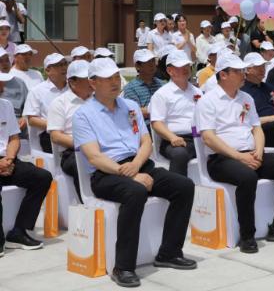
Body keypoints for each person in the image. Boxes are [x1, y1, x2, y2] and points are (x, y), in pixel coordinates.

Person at [73, 58, 196, 287]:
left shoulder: (129, 107)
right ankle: (123, 266)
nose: (114, 82)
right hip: (107, 172)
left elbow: (146, 141)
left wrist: (137, 166)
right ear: (92, 83)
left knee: (184, 186)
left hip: (138, 164)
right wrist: (128, 173)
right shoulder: (83, 114)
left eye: (115, 77)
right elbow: (94, 157)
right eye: (107, 78)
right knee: (135, 192)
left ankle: (169, 252)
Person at [197, 52, 274, 253]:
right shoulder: (207, 100)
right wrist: (239, 157)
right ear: (224, 75)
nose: (243, 74)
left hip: (251, 153)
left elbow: (256, 128)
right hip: (222, 158)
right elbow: (209, 138)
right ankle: (247, 235)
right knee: (247, 177)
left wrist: (258, 151)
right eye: (238, 71)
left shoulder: (246, 97)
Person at [0, 70, 52, 252]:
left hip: (7, 159)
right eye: (0, 83)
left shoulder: (5, 105)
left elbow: (14, 138)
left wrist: (9, 159)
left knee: (42, 177)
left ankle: (19, 231)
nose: (3, 87)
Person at [149, 51, 201, 176]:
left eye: (187, 66)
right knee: (180, 155)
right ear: (170, 71)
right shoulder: (161, 94)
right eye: (179, 67)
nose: (185, 69)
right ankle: (177, 188)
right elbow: (156, 123)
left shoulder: (197, 91)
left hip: (198, 137)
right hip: (173, 139)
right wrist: (173, 137)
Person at [47, 60, 92, 201]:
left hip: (101, 147)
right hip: (72, 152)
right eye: (87, 79)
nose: (92, 81)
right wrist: (85, 145)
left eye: (92, 77)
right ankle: (88, 202)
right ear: (72, 82)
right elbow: (56, 136)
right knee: (86, 164)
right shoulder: (60, 103)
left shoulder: (98, 99)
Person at [23, 53, 69, 153]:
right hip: (49, 134)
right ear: (48, 70)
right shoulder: (37, 91)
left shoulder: (73, 88)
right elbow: (32, 120)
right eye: (58, 65)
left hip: (74, 132)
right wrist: (56, 126)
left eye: (65, 64)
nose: (64, 67)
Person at [240, 53, 274, 148]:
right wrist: (273, 118)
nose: (262, 69)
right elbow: (245, 121)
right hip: (261, 130)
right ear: (248, 70)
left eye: (263, 66)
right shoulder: (242, 93)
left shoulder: (269, 87)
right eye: (257, 67)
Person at [122, 49, 165, 130]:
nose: (152, 64)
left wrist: (146, 110)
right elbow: (133, 113)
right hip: (144, 128)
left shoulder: (162, 84)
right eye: (147, 62)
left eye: (152, 61)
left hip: (166, 123)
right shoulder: (130, 88)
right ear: (137, 66)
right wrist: (160, 109)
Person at [0, 48, 27, 122]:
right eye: (0, 61)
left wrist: (24, 118)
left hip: (16, 121)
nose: (5, 63)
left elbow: (28, 107)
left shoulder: (19, 82)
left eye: (7, 60)